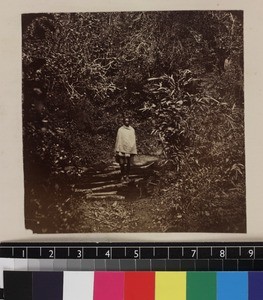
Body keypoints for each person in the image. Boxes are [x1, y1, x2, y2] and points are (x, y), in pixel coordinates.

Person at [115, 117, 137, 182]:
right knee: (121, 163)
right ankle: (122, 176)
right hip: (121, 148)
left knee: (128, 163)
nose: (127, 122)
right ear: (123, 122)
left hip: (130, 149)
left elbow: (133, 140)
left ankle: (127, 176)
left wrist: (131, 148)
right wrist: (117, 149)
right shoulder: (120, 130)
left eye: (128, 121)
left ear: (129, 122)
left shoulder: (132, 130)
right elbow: (118, 139)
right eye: (125, 121)